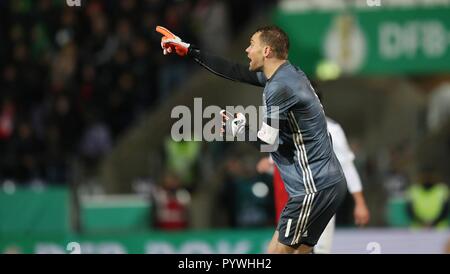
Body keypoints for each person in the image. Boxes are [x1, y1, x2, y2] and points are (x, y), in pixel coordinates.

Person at [157, 25, 347, 254]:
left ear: (266, 51)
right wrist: (190, 51)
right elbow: (237, 72)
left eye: (252, 45)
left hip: (312, 187)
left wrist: (239, 128)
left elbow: (269, 141)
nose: (247, 50)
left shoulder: (279, 87)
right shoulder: (289, 74)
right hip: (323, 184)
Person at [257, 113, 370, 253]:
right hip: (295, 200)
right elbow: (283, 162)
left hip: (321, 197)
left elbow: (346, 165)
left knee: (315, 249)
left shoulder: (331, 129)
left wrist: (360, 202)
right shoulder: (286, 127)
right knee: (289, 248)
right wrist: (269, 163)